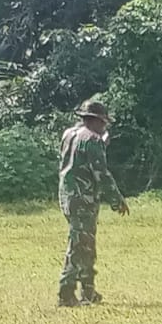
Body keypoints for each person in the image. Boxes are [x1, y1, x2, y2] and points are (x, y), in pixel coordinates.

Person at [58, 100, 129, 306]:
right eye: (104, 123)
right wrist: (117, 200)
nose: (105, 127)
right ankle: (66, 291)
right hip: (83, 198)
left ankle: (88, 291)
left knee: (86, 242)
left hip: (67, 196)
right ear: (97, 121)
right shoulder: (93, 140)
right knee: (79, 245)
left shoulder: (68, 134)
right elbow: (102, 174)